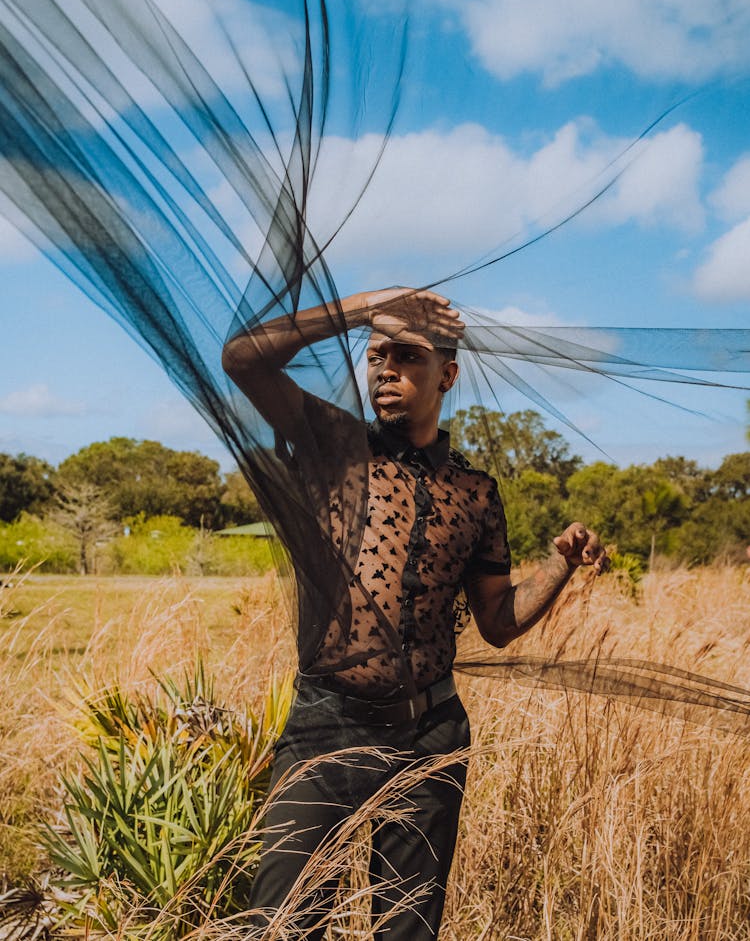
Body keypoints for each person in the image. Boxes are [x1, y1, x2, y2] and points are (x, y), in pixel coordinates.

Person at [222, 286, 608, 940]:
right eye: (376, 355)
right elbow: (244, 359)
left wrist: (560, 564)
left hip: (430, 736)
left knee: (405, 930)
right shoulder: (335, 447)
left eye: (406, 356)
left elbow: (498, 620)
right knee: (282, 925)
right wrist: (367, 306)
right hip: (326, 724)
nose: (385, 369)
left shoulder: (476, 493)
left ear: (447, 375)